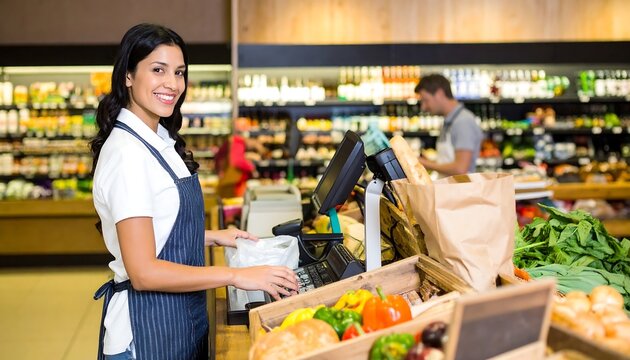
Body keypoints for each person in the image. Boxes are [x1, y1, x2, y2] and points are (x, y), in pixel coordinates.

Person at [90, 24, 298, 360]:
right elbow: (143, 271)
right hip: (146, 332)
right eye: (158, 70)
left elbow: (154, 224)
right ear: (128, 75)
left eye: (179, 72)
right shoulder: (128, 155)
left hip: (177, 318)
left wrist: (214, 236)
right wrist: (237, 275)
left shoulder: (157, 138)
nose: (172, 84)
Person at [414, 74, 483, 177]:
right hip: (450, 189)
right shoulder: (450, 120)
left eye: (425, 100)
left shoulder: (463, 121)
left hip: (460, 191)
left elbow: (460, 168)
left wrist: (424, 163)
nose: (423, 107)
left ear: (439, 94)